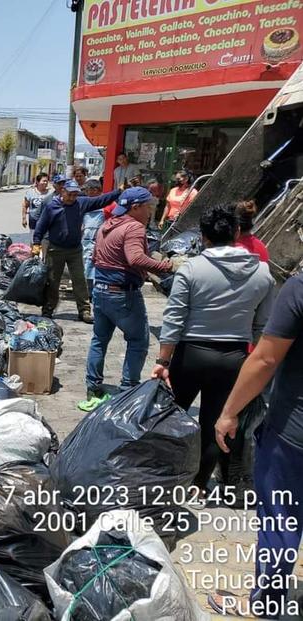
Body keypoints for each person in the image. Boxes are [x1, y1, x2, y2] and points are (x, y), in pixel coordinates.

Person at [151, 203, 274, 497]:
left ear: (203, 237)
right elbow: (262, 327)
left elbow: (174, 319)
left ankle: (165, 479)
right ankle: (198, 487)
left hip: (190, 354)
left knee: (172, 417)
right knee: (217, 423)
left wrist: (161, 360)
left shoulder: (192, 269)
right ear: (237, 232)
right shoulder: (262, 273)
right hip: (234, 358)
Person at [208, 273, 303, 617]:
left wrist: (229, 412)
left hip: (293, 436)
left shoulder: (299, 288)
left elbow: (265, 359)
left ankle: (267, 602)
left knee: (281, 518)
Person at [81, 187, 173, 410]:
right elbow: (135, 258)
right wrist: (165, 266)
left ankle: (93, 386)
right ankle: (127, 390)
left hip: (100, 290)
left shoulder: (107, 225)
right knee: (138, 341)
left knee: (99, 340)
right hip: (121, 293)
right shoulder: (133, 227)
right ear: (136, 207)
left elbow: (96, 256)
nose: (150, 211)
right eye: (148, 207)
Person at [32, 180, 122, 323]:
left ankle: (84, 311)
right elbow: (41, 226)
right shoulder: (52, 207)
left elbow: (100, 200)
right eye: (70, 194)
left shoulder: (81, 203)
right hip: (55, 250)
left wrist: (118, 191)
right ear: (62, 192)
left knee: (80, 280)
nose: (73, 197)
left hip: (75, 250)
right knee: (53, 282)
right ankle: (48, 310)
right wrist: (36, 243)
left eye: (75, 194)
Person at [81, 178, 106, 292]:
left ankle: (93, 291)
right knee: (86, 265)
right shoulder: (86, 202)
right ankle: (88, 291)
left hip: (99, 240)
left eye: (88, 190)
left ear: (95, 190)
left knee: (95, 266)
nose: (86, 192)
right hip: (85, 240)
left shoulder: (106, 203)